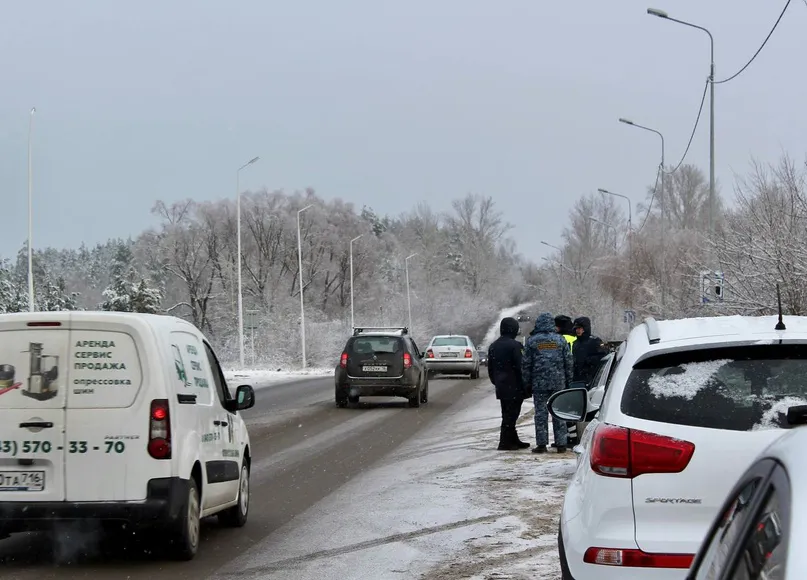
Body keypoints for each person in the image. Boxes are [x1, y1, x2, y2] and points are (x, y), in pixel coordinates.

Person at [523, 312, 573, 453]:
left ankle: (541, 444)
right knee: (558, 412)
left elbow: (526, 364)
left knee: (540, 414)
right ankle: (561, 443)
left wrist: (527, 383)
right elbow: (568, 362)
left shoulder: (532, 341)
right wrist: (568, 382)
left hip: (539, 384)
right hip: (558, 383)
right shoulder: (560, 340)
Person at [487, 317, 532, 450]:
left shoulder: (494, 346)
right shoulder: (515, 346)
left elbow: (490, 367)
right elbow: (521, 367)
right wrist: (527, 384)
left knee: (506, 413)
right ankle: (505, 441)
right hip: (515, 386)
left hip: (501, 385)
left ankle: (512, 438)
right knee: (511, 415)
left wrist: (496, 381)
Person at [572, 316, 608, 386]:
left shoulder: (595, 341)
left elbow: (604, 357)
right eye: (576, 329)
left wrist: (589, 360)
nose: (577, 330)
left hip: (591, 378)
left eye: (579, 328)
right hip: (578, 379)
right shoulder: (576, 343)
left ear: (585, 328)